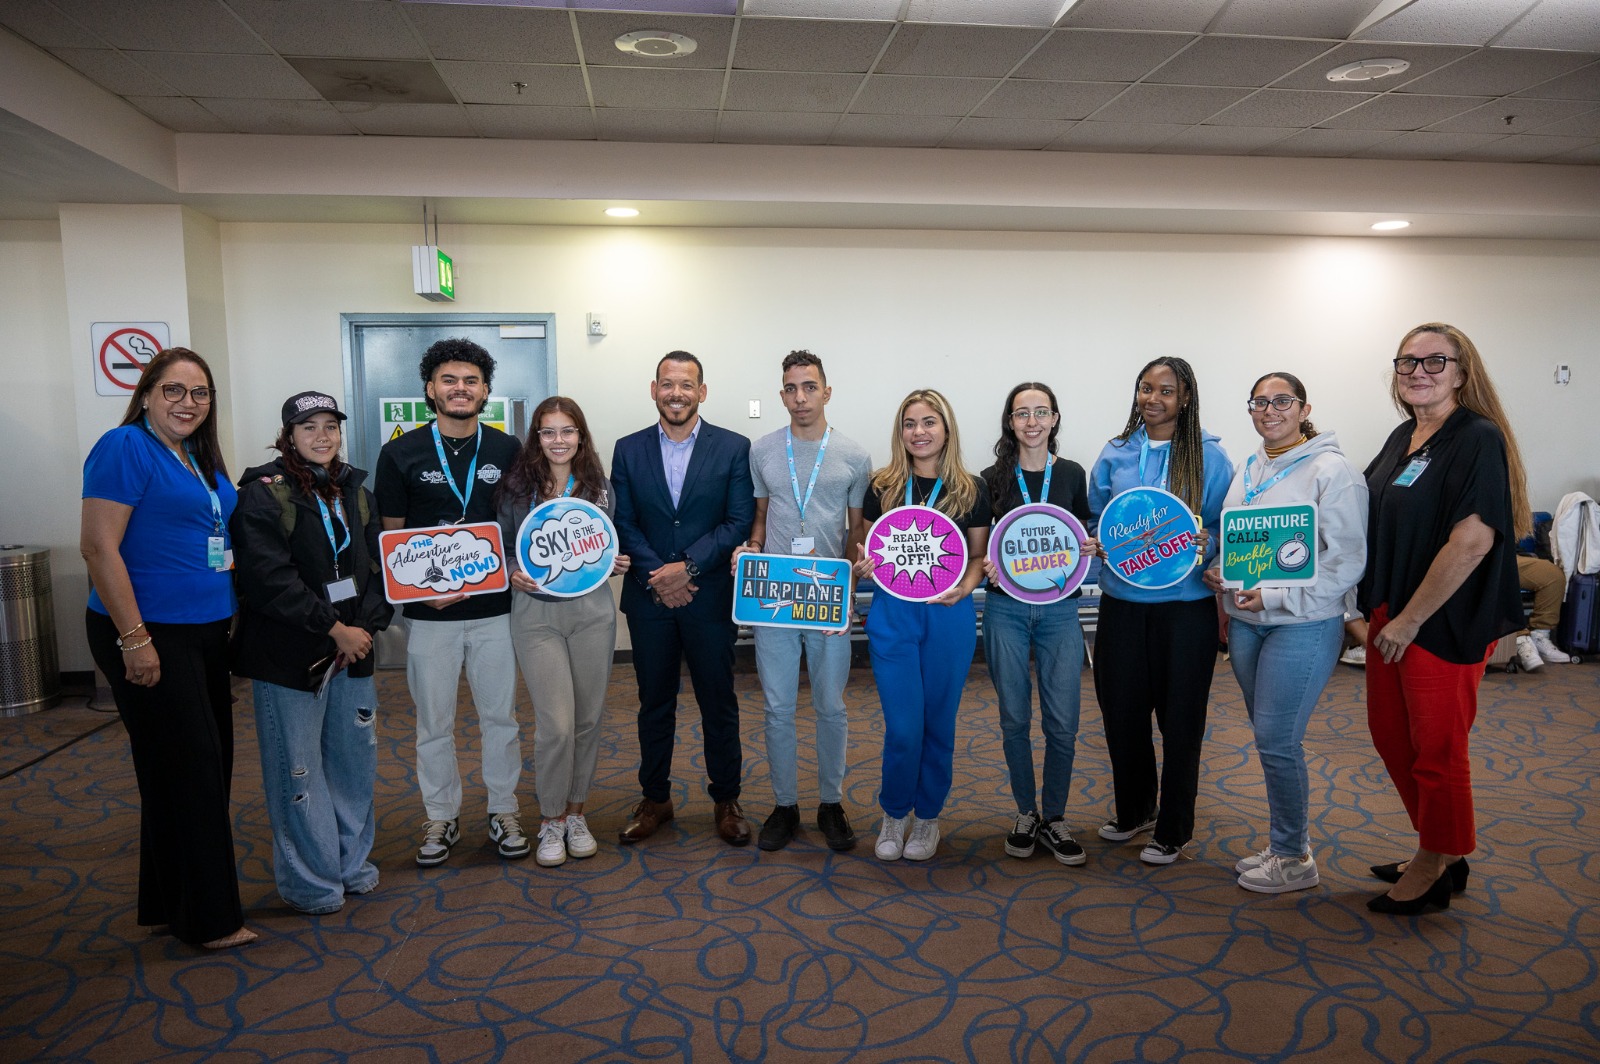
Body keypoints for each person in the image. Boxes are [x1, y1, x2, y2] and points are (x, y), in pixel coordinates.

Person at [79, 347, 255, 949]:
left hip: (203, 631)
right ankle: (209, 920)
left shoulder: (195, 456)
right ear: (147, 394)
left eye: (200, 393)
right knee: (195, 772)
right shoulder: (124, 447)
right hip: (148, 631)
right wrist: (135, 640)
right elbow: (99, 548)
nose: (188, 403)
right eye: (174, 391)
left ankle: (166, 901)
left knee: (180, 769)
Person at [1360, 323, 1528, 915]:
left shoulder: (1476, 437)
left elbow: (1473, 541)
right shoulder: (1404, 434)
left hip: (1439, 620)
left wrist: (1408, 620)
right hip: (1391, 612)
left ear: (1462, 371)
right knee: (1392, 738)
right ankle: (1443, 848)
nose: (1418, 372)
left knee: (1436, 747)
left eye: (1435, 360)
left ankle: (1436, 864)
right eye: (1407, 362)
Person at [1201, 373, 1367, 894]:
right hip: (1249, 624)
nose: (1270, 410)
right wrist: (1220, 567)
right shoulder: (1251, 467)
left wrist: (1275, 596)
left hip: (1303, 625)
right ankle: (1283, 844)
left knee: (1278, 740)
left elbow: (1346, 562)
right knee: (1271, 740)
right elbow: (1242, 539)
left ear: (1303, 407)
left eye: (1282, 401)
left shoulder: (1332, 470)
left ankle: (1295, 857)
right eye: (1260, 402)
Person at [230, 392, 393, 913]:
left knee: (352, 763)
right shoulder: (263, 493)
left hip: (354, 649)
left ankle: (349, 865)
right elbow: (268, 581)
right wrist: (332, 629)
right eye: (309, 427)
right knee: (297, 770)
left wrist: (362, 629)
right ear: (289, 436)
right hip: (290, 654)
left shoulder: (354, 489)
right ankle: (311, 882)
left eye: (330, 426)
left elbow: (376, 567)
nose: (322, 436)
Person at [374, 338, 527, 866]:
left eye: (471, 381)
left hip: (494, 612)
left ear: (486, 391)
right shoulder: (401, 453)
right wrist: (421, 591)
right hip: (430, 616)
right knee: (433, 723)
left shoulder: (508, 451)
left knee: (499, 718)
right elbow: (391, 538)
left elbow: (520, 529)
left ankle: (503, 809)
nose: (460, 389)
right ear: (429, 389)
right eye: (449, 380)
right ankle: (441, 816)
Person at [1088, 356, 1233, 865]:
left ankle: (1174, 827)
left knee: (1181, 721)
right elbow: (1096, 515)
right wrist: (1099, 542)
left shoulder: (1211, 458)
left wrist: (1206, 541)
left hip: (1184, 611)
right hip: (1121, 606)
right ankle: (1135, 810)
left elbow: (1223, 526)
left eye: (1166, 391)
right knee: (1121, 715)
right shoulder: (1116, 452)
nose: (1153, 399)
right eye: (1145, 389)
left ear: (1186, 398)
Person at [611, 351, 755, 846]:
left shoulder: (734, 447)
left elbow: (737, 521)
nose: (677, 393)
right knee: (654, 702)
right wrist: (660, 574)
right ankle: (656, 799)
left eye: (687, 385)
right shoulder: (627, 450)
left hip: (709, 595)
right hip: (650, 599)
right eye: (668, 384)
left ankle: (726, 800)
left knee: (719, 702)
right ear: (654, 389)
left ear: (702, 391)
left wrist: (686, 567)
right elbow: (622, 521)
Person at [735, 351, 872, 853]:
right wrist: (749, 550)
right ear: (781, 395)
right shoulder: (763, 450)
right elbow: (759, 517)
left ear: (827, 392)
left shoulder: (854, 455)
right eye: (791, 388)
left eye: (809, 387)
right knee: (776, 707)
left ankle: (831, 802)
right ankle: (785, 804)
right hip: (774, 594)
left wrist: (855, 578)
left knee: (831, 706)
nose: (800, 397)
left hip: (827, 596)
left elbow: (856, 529)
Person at [854, 389, 991, 862]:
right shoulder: (883, 485)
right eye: (910, 424)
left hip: (949, 614)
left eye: (929, 422)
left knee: (939, 725)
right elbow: (864, 549)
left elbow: (976, 557)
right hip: (893, 614)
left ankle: (928, 818)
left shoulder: (971, 488)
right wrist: (862, 564)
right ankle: (895, 812)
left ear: (946, 429)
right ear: (901, 432)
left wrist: (966, 585)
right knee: (904, 726)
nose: (919, 432)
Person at [497, 397, 631, 867]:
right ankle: (550, 820)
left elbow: (605, 545)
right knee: (555, 724)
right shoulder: (515, 488)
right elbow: (502, 546)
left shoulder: (598, 486)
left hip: (592, 613)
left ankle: (577, 813)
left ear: (581, 436)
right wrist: (513, 568)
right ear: (536, 437)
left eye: (567, 431)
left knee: (589, 719)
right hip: (536, 615)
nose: (558, 440)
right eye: (548, 432)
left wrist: (616, 563)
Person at [979, 383, 1094, 866]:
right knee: (1014, 718)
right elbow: (981, 541)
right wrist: (985, 560)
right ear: (1010, 421)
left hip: (1059, 609)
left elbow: (1082, 529)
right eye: (1022, 413)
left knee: (1063, 721)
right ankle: (1026, 813)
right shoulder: (989, 478)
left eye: (1040, 412)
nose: (1031, 421)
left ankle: (1056, 815)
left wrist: (1087, 544)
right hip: (1004, 607)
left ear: (1054, 418)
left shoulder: (1071, 473)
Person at [1510, 554, 1570, 670]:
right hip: (1476, 557)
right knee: (1499, 573)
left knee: (1552, 574)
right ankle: (1521, 639)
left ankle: (1539, 634)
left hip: (1507, 554)